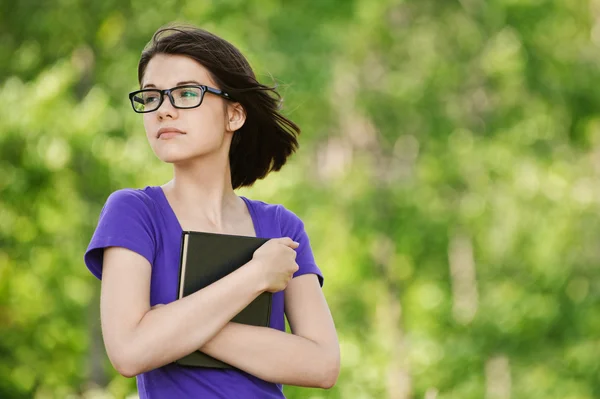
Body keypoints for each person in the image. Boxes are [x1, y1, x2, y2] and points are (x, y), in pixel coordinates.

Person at [83, 24, 340, 398]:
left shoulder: (282, 227)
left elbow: (322, 364)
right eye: (152, 96)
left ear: (234, 115)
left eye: (186, 93)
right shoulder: (134, 212)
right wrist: (255, 275)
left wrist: (166, 327)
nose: (164, 111)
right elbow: (128, 352)